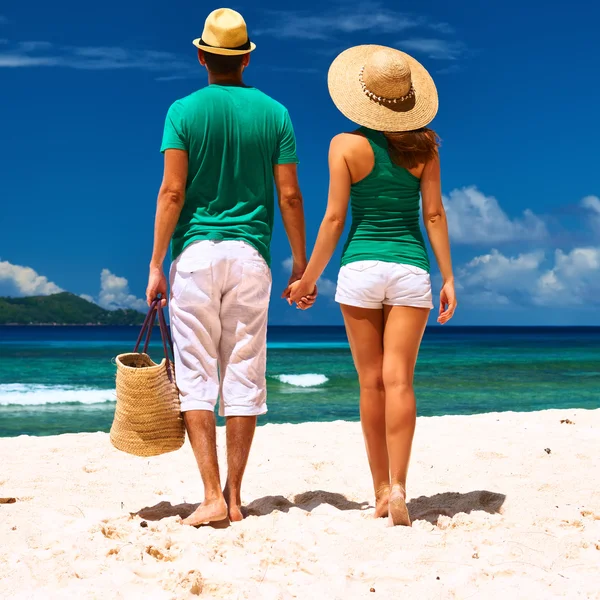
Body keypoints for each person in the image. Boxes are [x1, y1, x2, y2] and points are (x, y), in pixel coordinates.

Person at [146, 8, 314, 526]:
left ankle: (209, 496)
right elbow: (289, 194)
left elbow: (173, 191)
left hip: (195, 257)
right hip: (251, 258)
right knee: (243, 374)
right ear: (245, 57)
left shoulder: (183, 111)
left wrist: (155, 264)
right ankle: (235, 497)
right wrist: (301, 262)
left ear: (202, 56)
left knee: (196, 377)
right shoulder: (276, 114)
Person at [287, 45, 456, 526]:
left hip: (361, 270)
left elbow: (335, 218)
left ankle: (380, 490)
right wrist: (448, 277)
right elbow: (434, 215)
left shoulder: (344, 145)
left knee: (370, 382)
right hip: (409, 269)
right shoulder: (425, 149)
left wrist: (307, 279)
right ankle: (401, 487)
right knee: (400, 379)